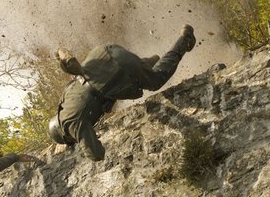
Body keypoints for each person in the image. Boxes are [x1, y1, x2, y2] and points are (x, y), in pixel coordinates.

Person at [48, 24, 196, 161]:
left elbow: (96, 155)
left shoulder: (71, 125)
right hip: (105, 52)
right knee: (137, 74)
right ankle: (150, 63)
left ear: (66, 135)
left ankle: (185, 38)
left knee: (156, 80)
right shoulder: (65, 99)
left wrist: (82, 141)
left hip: (120, 69)